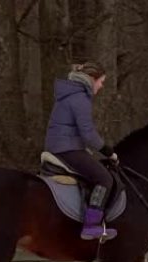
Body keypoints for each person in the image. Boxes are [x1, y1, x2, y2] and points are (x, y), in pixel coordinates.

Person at [43, 61, 119, 241]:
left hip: (62, 145)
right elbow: (88, 133)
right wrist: (108, 151)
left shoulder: (72, 94)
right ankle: (91, 226)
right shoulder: (80, 98)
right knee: (104, 179)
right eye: (101, 81)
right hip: (66, 148)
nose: (101, 86)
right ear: (91, 79)